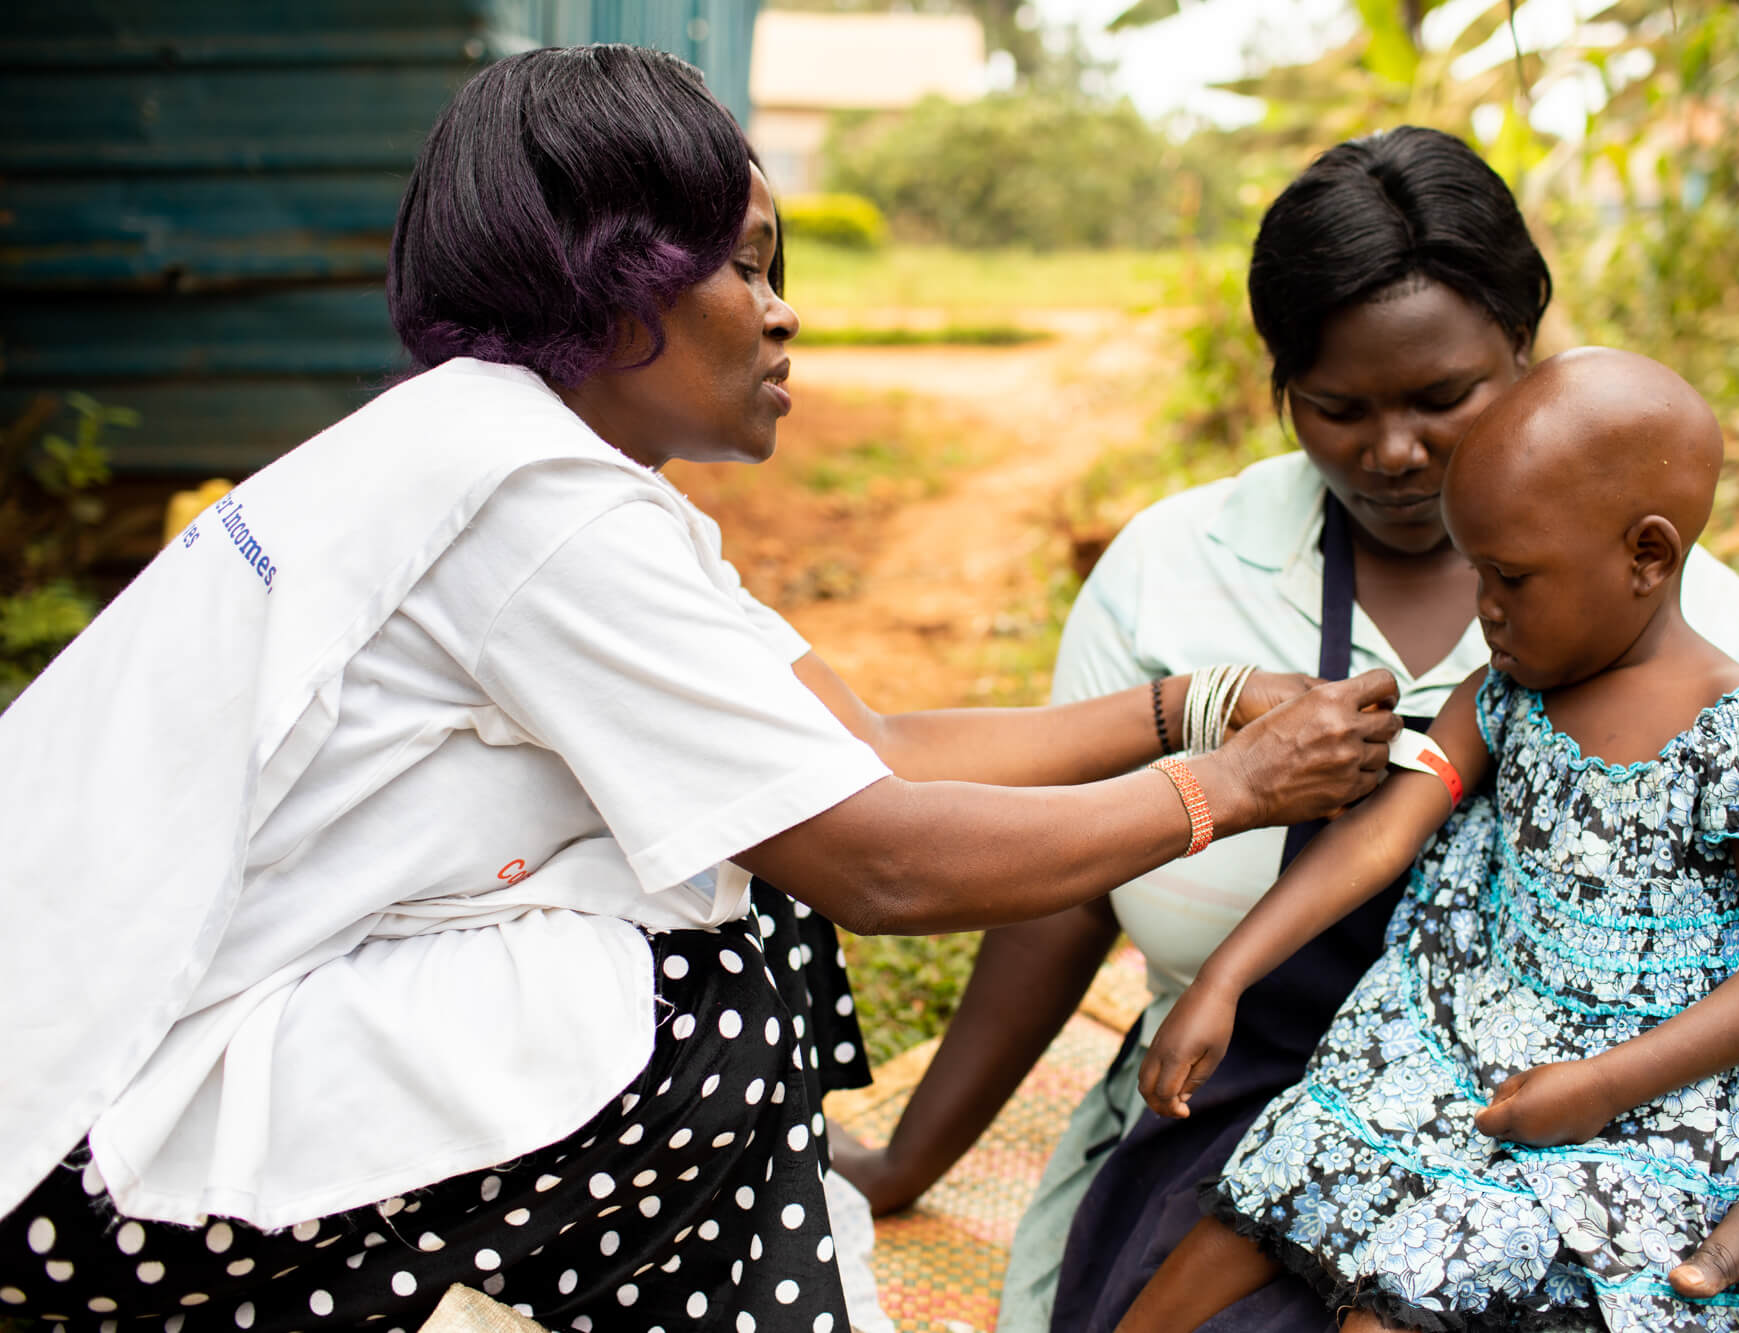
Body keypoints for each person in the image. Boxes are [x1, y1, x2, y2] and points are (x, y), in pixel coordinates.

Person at [0, 47, 1406, 1333]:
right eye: (745, 266)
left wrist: (1199, 707)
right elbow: (881, 862)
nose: (784, 315)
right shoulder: (537, 510)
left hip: (111, 1042)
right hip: (78, 1141)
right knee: (722, 980)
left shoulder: (498, 452)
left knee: (731, 895)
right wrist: (1229, 792)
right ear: (616, 279)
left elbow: (864, 744)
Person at [836, 126, 1739, 1333]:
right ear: (1280, 387)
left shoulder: (1691, 630)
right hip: (1276, 1097)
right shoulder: (1176, 576)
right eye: (1336, 407)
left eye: (1445, 399)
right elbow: (1064, 891)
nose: (1392, 454)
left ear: (1525, 354)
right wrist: (910, 1163)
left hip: (1589, 1107)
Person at [1116, 347, 1739, 1333]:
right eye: (1475, 571)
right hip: (1461, 1030)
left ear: (1646, 555)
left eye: (1510, 577)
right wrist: (1225, 976)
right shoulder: (1502, 695)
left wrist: (1599, 1085)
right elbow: (1380, 837)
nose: (1483, 608)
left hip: (1653, 1084)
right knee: (1259, 1199)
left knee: (1405, 1300)